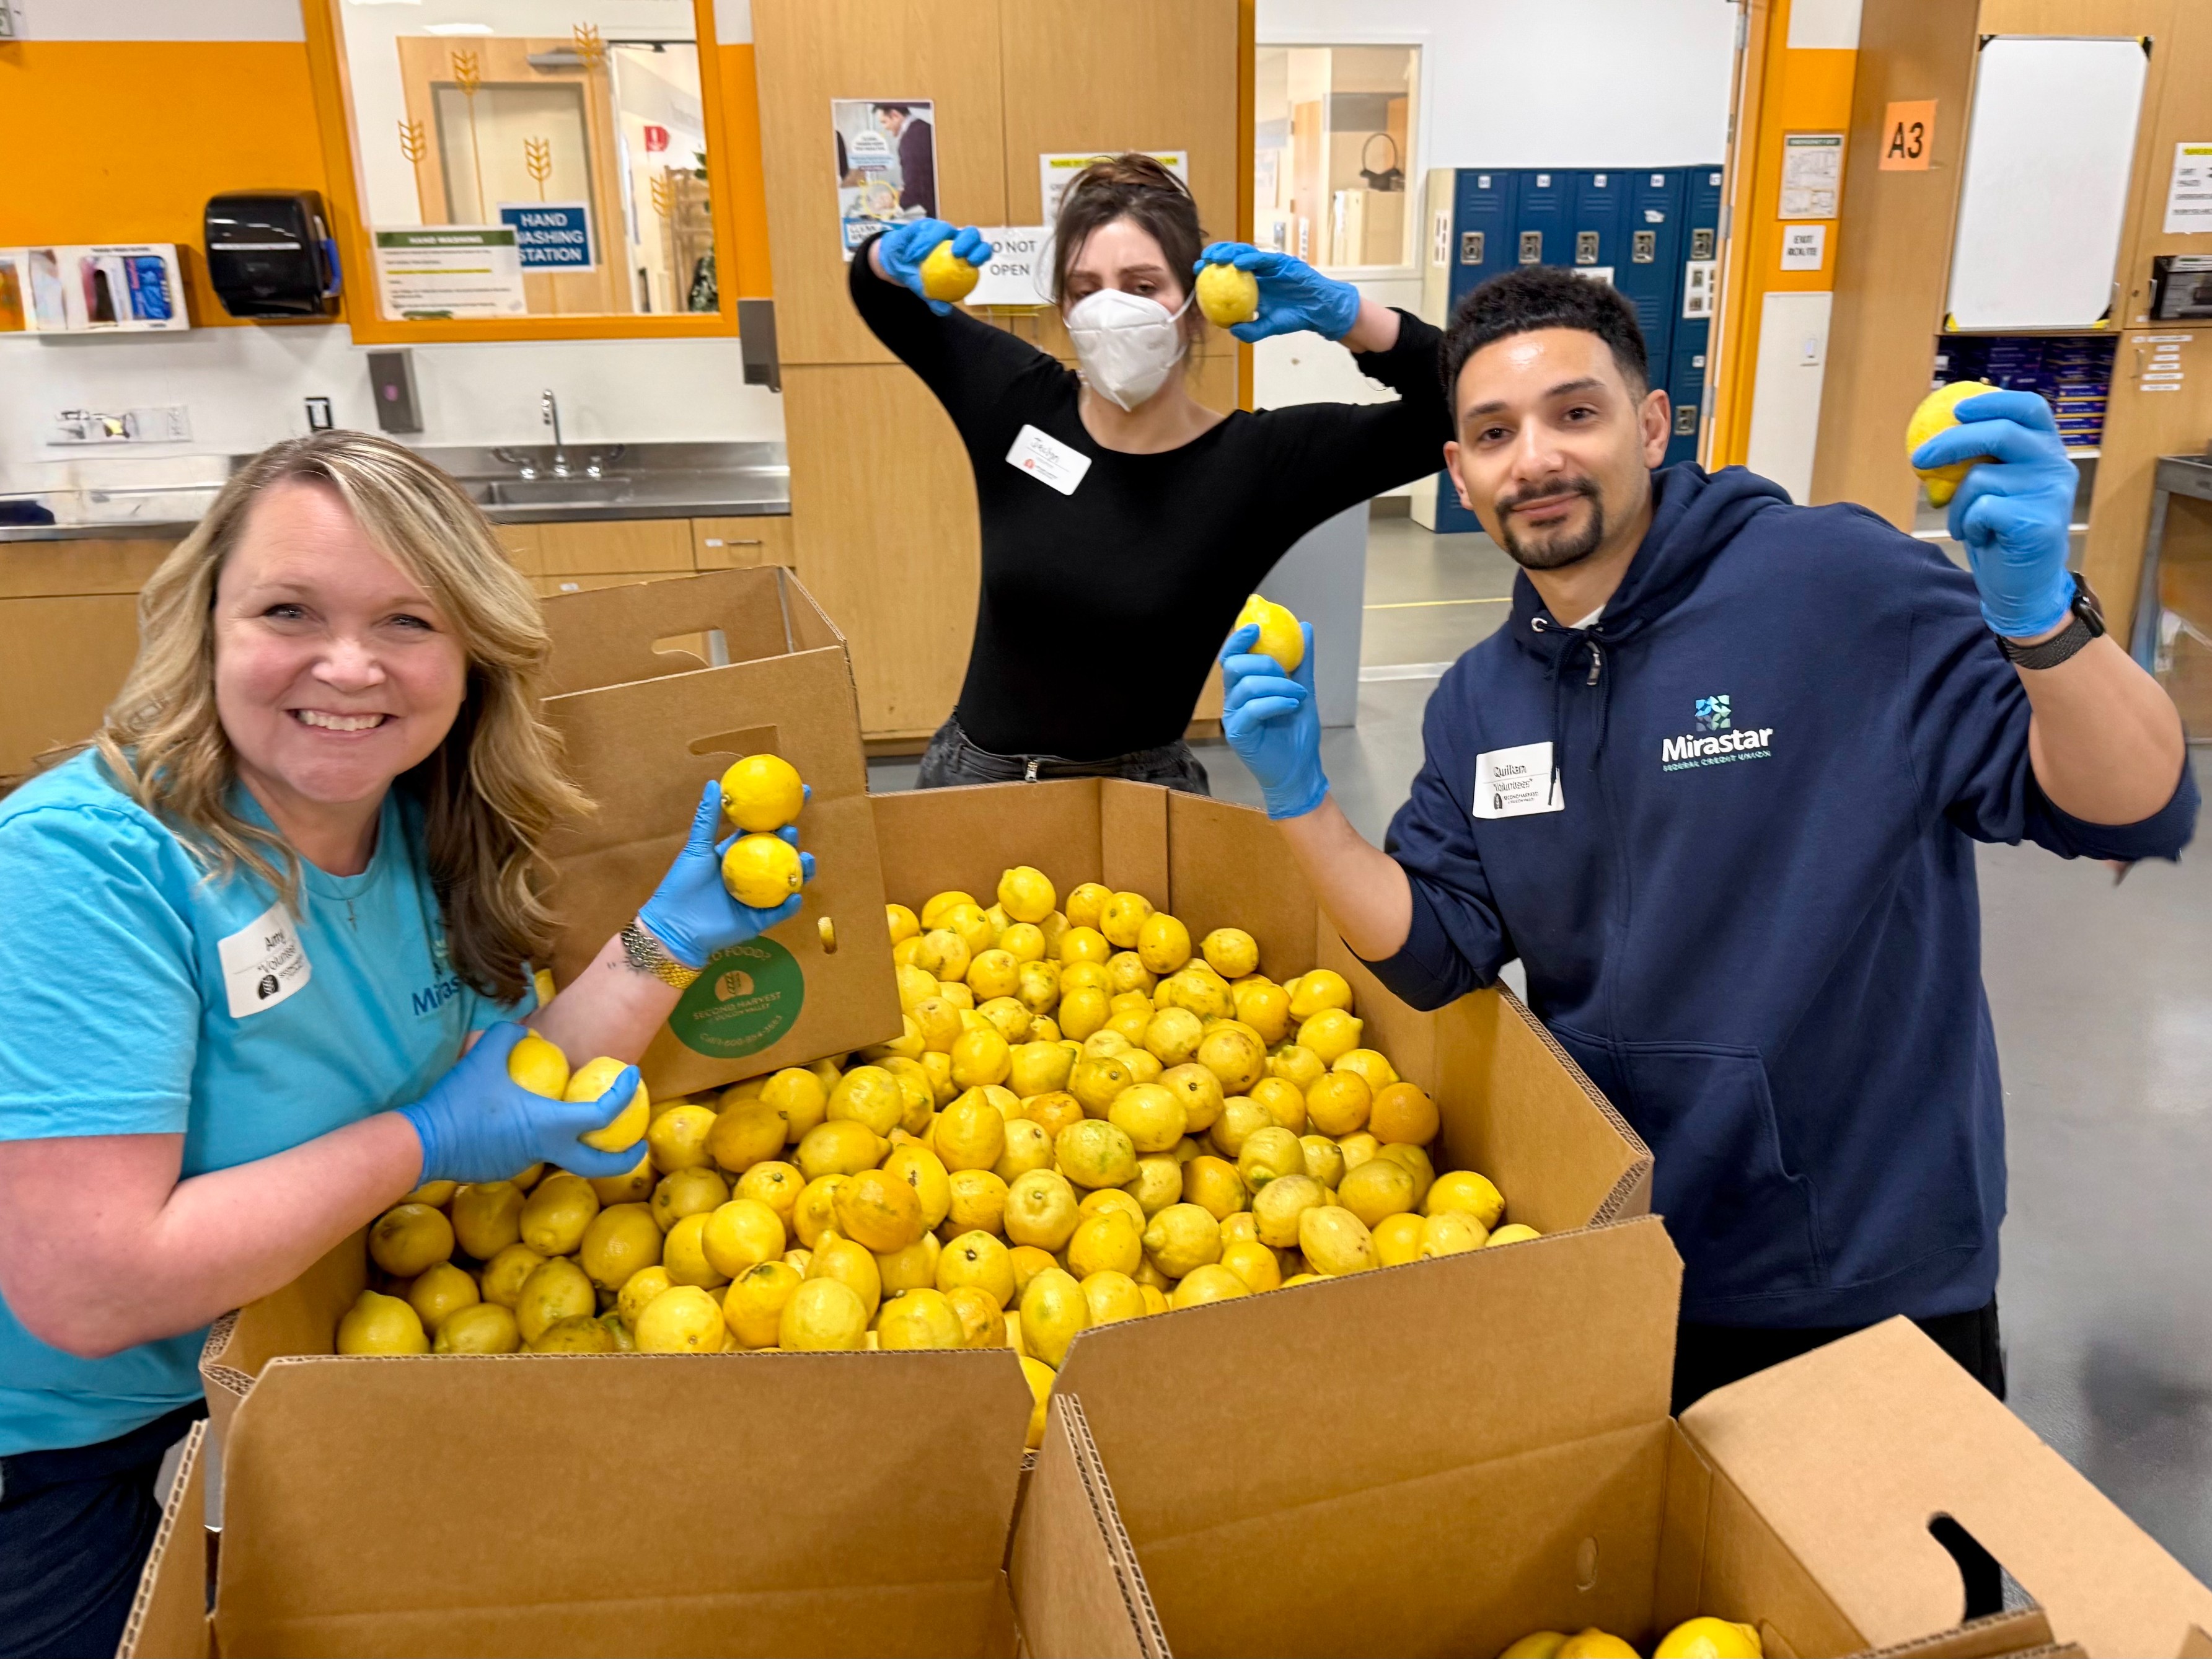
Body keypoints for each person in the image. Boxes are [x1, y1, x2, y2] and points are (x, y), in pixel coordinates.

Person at [1219, 266, 2195, 1412]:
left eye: (1572, 414)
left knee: (1898, 1596)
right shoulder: (1480, 699)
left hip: (1859, 1267)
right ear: (1458, 475)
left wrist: (2041, 621)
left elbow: (2123, 804)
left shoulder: (1832, 586)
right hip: (1625, 1246)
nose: (1532, 459)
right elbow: (1434, 950)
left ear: (1649, 423)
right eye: (1492, 433)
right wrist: (1299, 801)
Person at [0, 433, 812, 1657]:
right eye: (288, 609)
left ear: (468, 652)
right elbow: (88, 1287)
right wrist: (421, 1142)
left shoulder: (423, 828)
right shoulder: (88, 866)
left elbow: (515, 1080)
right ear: (206, 624)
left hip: (285, 1377)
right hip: (60, 1449)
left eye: (406, 621)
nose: (347, 664)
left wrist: (668, 939)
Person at [852, 151, 1453, 790]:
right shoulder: (1017, 405)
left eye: (1143, 286)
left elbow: (1461, 409)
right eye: (1085, 290)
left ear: (1194, 306)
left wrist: (1352, 319)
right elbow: (879, 296)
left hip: (1144, 797)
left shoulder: (1259, 465)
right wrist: (884, 257)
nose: (1110, 310)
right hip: (976, 782)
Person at [874, 102, 935, 217]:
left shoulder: (912, 138)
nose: (885, 127)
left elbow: (916, 185)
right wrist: (896, 195)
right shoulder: (923, 128)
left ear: (895, 115)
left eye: (884, 122)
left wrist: (895, 207)